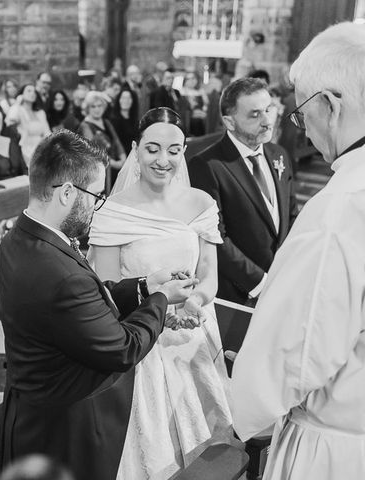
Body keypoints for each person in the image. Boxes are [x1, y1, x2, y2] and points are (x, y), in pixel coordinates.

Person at [0, 130, 198, 480]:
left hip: (31, 408)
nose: (98, 205)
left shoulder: (20, 237)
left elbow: (82, 302)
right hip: (65, 428)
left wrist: (145, 285)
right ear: (67, 193)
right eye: (96, 195)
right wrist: (161, 299)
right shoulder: (58, 271)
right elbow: (121, 348)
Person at [231, 22, 365, 480]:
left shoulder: (340, 211)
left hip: (338, 450)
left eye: (302, 109)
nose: (301, 128)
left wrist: (236, 407)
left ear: (329, 105)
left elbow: (296, 353)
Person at [90, 108, 233, 478]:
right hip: (142, 341)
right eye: (152, 149)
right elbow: (106, 291)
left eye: (173, 150)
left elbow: (208, 275)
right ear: (135, 149)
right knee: (154, 452)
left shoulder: (200, 203)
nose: (163, 160)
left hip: (193, 335)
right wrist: (159, 309)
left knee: (205, 453)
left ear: (184, 151)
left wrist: (197, 303)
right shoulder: (113, 212)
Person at [188, 78, 298, 305]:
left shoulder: (279, 154)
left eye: (269, 109)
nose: (268, 121)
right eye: (255, 114)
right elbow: (214, 237)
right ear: (230, 122)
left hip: (282, 282)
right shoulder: (208, 165)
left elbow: (291, 216)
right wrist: (260, 283)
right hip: (238, 293)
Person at [78, 91, 126, 189]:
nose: (97, 109)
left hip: (114, 169)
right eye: (93, 106)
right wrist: (114, 163)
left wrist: (123, 158)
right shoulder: (85, 126)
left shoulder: (106, 122)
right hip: (97, 172)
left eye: (99, 106)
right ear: (88, 108)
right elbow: (93, 151)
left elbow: (116, 142)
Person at [5, 83, 51, 167]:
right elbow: (10, 120)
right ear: (21, 94)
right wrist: (18, 102)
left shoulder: (40, 112)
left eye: (34, 91)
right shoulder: (18, 110)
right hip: (25, 150)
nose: (32, 93)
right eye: (29, 91)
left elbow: (47, 132)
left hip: (42, 149)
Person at [109, 89, 137, 155]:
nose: (126, 101)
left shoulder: (135, 120)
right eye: (123, 98)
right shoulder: (114, 120)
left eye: (129, 98)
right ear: (119, 100)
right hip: (121, 159)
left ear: (133, 101)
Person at [181, 72, 208, 137]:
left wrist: (204, 109)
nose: (192, 81)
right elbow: (182, 109)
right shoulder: (182, 92)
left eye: (193, 78)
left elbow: (206, 105)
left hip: (202, 116)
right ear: (185, 81)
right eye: (189, 79)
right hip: (188, 118)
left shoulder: (200, 91)